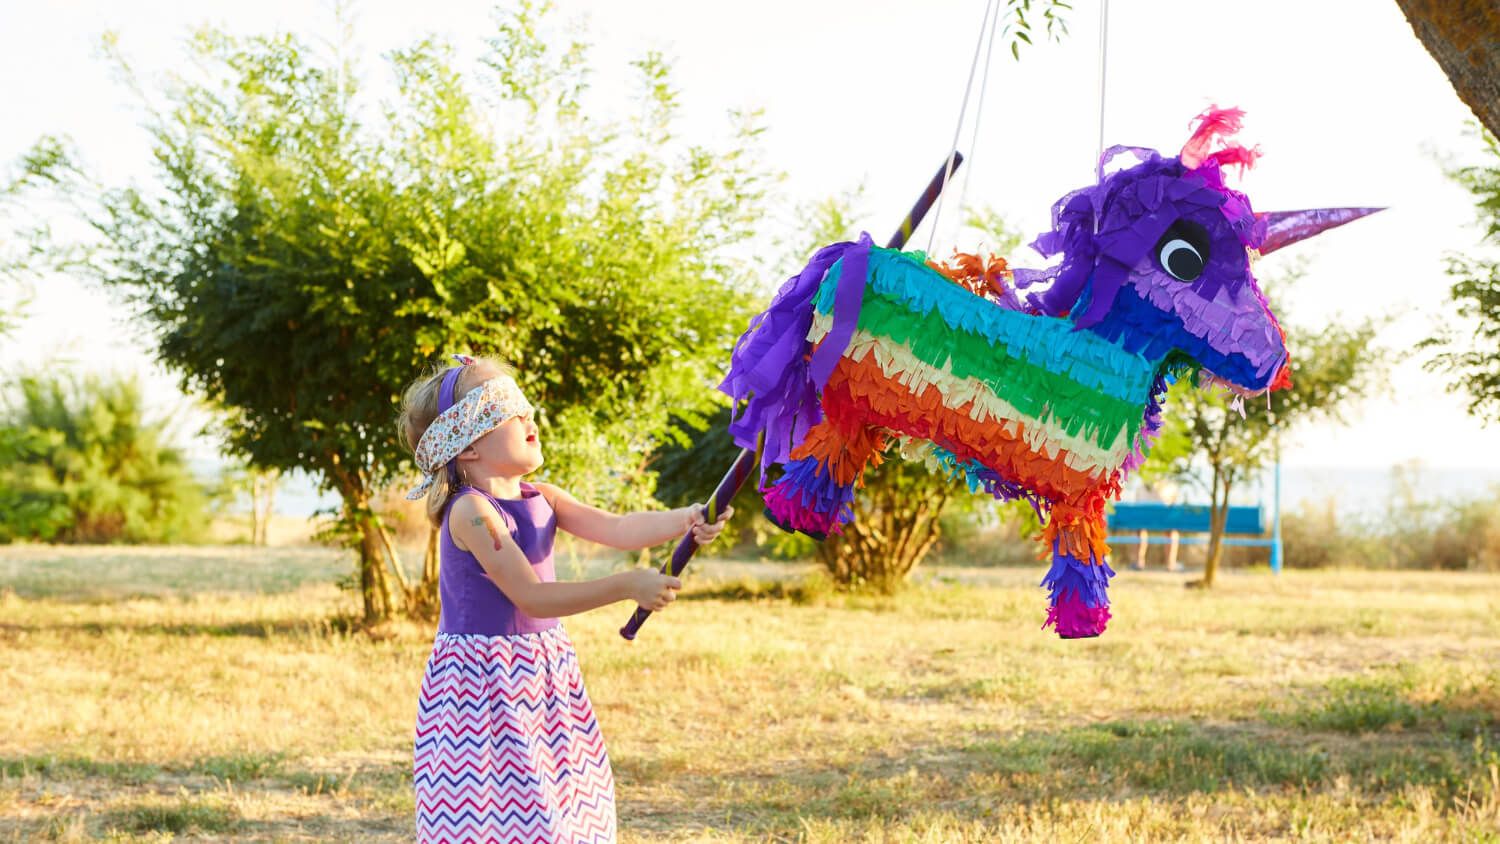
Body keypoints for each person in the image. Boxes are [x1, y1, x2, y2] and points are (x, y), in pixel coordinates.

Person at [400, 354, 731, 843]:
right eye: (508, 412)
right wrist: (625, 586)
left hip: (540, 674)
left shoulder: (543, 495)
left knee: (560, 805)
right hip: (483, 691)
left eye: (525, 406)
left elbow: (618, 528)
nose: (529, 416)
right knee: (498, 817)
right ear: (467, 445)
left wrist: (687, 518)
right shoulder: (471, 512)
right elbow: (532, 596)